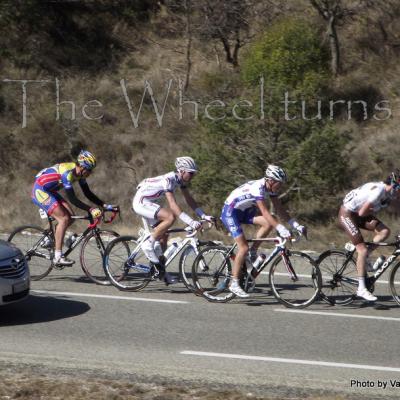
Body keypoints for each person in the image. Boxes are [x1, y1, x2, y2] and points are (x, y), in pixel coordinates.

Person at [220, 165, 306, 298]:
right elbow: (265, 212)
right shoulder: (258, 188)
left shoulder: (269, 187)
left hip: (243, 211)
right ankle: (234, 283)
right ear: (270, 181)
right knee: (243, 248)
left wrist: (295, 225)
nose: (280, 187)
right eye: (279, 184)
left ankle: (253, 251)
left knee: (269, 223)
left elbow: (279, 208)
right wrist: (281, 229)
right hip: (231, 212)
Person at [132, 156, 213, 284]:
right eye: (191, 173)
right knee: (170, 217)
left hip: (149, 202)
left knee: (164, 236)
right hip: (141, 202)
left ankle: (161, 272)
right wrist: (190, 221)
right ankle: (148, 244)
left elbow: (189, 200)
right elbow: (173, 205)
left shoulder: (180, 181)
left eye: (194, 174)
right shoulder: (169, 179)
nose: (193, 176)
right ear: (181, 171)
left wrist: (203, 215)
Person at [31, 150, 117, 266]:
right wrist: (90, 209)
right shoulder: (68, 174)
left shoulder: (80, 174)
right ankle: (57, 257)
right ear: (82, 167)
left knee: (71, 217)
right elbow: (73, 199)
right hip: (40, 191)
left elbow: (87, 193)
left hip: (50, 191)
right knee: (64, 219)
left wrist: (104, 205)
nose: (90, 173)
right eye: (89, 170)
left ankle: (50, 240)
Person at [338, 171, 400, 301]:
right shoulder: (378, 191)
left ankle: (364, 259)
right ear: (395, 185)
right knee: (362, 249)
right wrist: (376, 207)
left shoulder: (389, 193)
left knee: (384, 232)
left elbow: (397, 209)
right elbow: (362, 212)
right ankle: (361, 289)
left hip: (358, 214)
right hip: (348, 213)